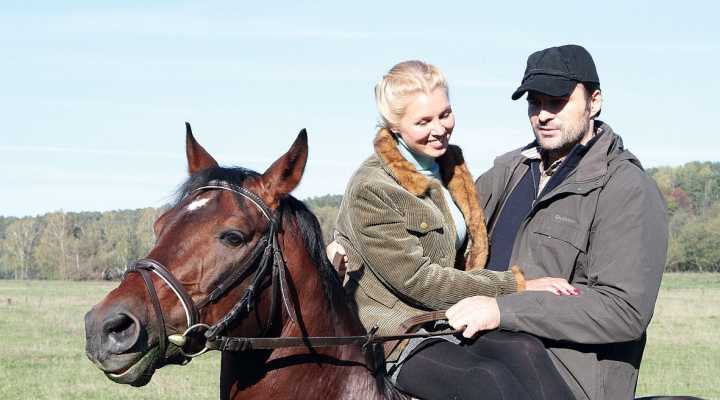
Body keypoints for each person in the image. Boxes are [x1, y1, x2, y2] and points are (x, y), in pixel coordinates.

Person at [330, 60, 579, 400]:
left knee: (526, 351)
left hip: (446, 318)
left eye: (445, 114)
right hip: (394, 333)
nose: (439, 129)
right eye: (423, 121)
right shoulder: (373, 188)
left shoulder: (450, 164)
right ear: (394, 126)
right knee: (487, 380)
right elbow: (418, 281)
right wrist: (516, 284)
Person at [445, 44, 668, 400]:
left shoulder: (625, 187)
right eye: (535, 103)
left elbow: (624, 310)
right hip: (483, 360)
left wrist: (502, 310)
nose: (543, 115)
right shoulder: (510, 171)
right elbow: (440, 229)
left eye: (557, 101)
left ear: (594, 102)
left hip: (565, 381)